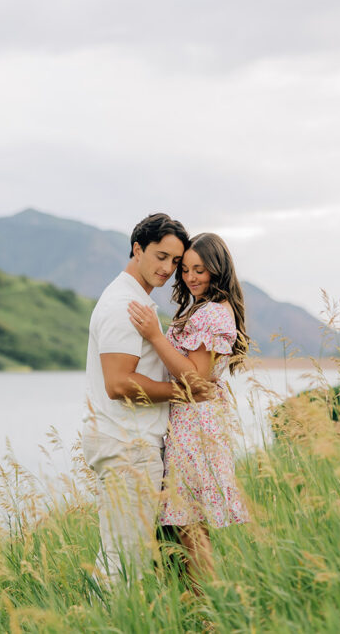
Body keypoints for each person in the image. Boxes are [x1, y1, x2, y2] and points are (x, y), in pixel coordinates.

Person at [127, 232, 251, 585]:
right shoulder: (206, 308)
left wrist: (155, 336)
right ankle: (199, 606)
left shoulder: (212, 313)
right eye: (185, 269)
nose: (190, 277)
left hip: (196, 425)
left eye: (200, 269)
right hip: (195, 421)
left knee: (191, 527)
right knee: (189, 526)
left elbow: (195, 381)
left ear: (218, 270)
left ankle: (207, 612)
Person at [80, 213, 191, 585]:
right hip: (127, 443)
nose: (168, 269)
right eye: (161, 256)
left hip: (131, 441)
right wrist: (184, 391)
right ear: (137, 248)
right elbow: (119, 383)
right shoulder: (121, 305)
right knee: (123, 560)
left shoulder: (134, 300)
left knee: (126, 554)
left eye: (175, 262)